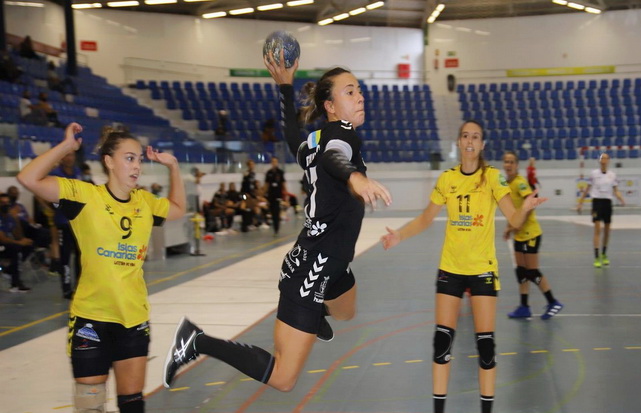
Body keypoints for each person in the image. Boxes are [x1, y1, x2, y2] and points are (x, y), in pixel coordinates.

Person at [162, 55, 392, 393]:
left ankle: (318, 312)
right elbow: (335, 156)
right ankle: (195, 341)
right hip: (311, 270)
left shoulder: (316, 140)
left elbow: (292, 139)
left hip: (329, 260)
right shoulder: (341, 135)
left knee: (346, 311)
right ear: (330, 106)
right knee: (284, 377)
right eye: (350, 92)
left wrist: (285, 88)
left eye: (358, 90)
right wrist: (354, 176)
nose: (360, 97)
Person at [17, 122, 186, 413]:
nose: (137, 166)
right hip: (90, 320)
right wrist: (66, 147)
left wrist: (173, 167)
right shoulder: (83, 195)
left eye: (139, 160)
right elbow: (28, 178)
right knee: (90, 406)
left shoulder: (145, 202)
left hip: (133, 320)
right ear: (109, 161)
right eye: (129, 158)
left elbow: (178, 209)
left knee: (132, 405)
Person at [380, 120, 547, 413]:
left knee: (486, 346)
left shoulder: (493, 177)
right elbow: (426, 218)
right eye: (466, 136)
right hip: (451, 269)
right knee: (442, 342)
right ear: (459, 142)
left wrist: (524, 208)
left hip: (483, 270)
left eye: (476, 137)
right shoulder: (447, 179)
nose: (470, 141)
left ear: (482, 145)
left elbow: (514, 219)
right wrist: (399, 236)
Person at [501, 151, 563, 320]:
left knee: (532, 272)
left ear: (516, 165)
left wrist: (519, 223)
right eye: (506, 161)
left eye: (511, 162)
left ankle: (553, 302)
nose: (508, 165)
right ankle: (524, 307)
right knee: (521, 272)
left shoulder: (520, 183)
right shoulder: (506, 183)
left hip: (531, 234)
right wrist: (509, 227)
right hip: (519, 235)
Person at [577, 152, 625, 268]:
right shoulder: (594, 174)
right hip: (597, 203)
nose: (603, 160)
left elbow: (616, 190)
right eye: (602, 158)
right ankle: (596, 256)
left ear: (608, 160)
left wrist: (621, 198)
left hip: (607, 203)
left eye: (605, 158)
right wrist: (580, 202)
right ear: (599, 160)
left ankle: (604, 253)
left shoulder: (612, 175)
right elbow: (587, 189)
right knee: (597, 229)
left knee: (607, 230)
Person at [49, 150, 82, 299]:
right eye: (67, 155)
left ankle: (80, 286)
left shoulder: (77, 172)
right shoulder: (55, 173)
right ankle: (66, 287)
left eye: (72, 155)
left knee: (80, 255)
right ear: (61, 158)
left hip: (78, 221)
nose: (70, 158)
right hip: (63, 222)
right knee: (65, 256)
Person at [0, 192, 33, 293]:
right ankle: (15, 284)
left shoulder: (9, 217)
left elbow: (18, 235)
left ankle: (9, 270)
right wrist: (18, 243)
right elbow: (2, 238)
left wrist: (16, 219)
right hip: (1, 244)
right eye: (2, 203)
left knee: (29, 245)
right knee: (15, 249)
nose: (6, 205)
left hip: (5, 244)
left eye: (7, 203)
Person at [265, 156, 286, 236]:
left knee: (276, 212)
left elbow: (283, 184)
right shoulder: (269, 173)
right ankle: (274, 226)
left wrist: (286, 196)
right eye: (273, 161)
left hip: (278, 195)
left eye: (275, 161)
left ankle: (276, 228)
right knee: (272, 212)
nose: (274, 163)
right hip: (270, 195)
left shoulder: (280, 172)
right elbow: (267, 185)